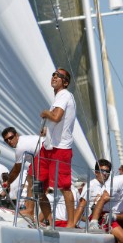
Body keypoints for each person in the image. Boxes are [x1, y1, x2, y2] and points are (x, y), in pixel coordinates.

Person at [29, 68, 76, 227]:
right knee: (36, 180)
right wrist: (47, 131)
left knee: (64, 187)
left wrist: (45, 113)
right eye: (54, 74)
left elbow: (56, 117)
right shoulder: (60, 97)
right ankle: (49, 221)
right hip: (49, 146)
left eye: (59, 76)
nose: (55, 76)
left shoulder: (64, 95)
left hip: (60, 148)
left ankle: (70, 224)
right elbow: (58, 122)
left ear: (65, 82)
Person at [1, 126, 45, 218]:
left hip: (45, 158)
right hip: (42, 158)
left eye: (11, 138)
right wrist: (9, 178)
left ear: (16, 135)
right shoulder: (23, 141)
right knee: (40, 193)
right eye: (6, 140)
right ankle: (45, 218)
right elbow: (16, 165)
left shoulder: (20, 147)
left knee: (31, 180)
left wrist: (8, 182)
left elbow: (17, 169)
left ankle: (30, 211)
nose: (9, 141)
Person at [73, 159, 112, 227]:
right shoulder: (91, 185)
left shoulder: (109, 186)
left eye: (107, 171)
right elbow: (81, 205)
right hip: (95, 221)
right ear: (96, 172)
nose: (105, 174)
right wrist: (73, 225)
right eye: (102, 171)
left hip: (107, 219)